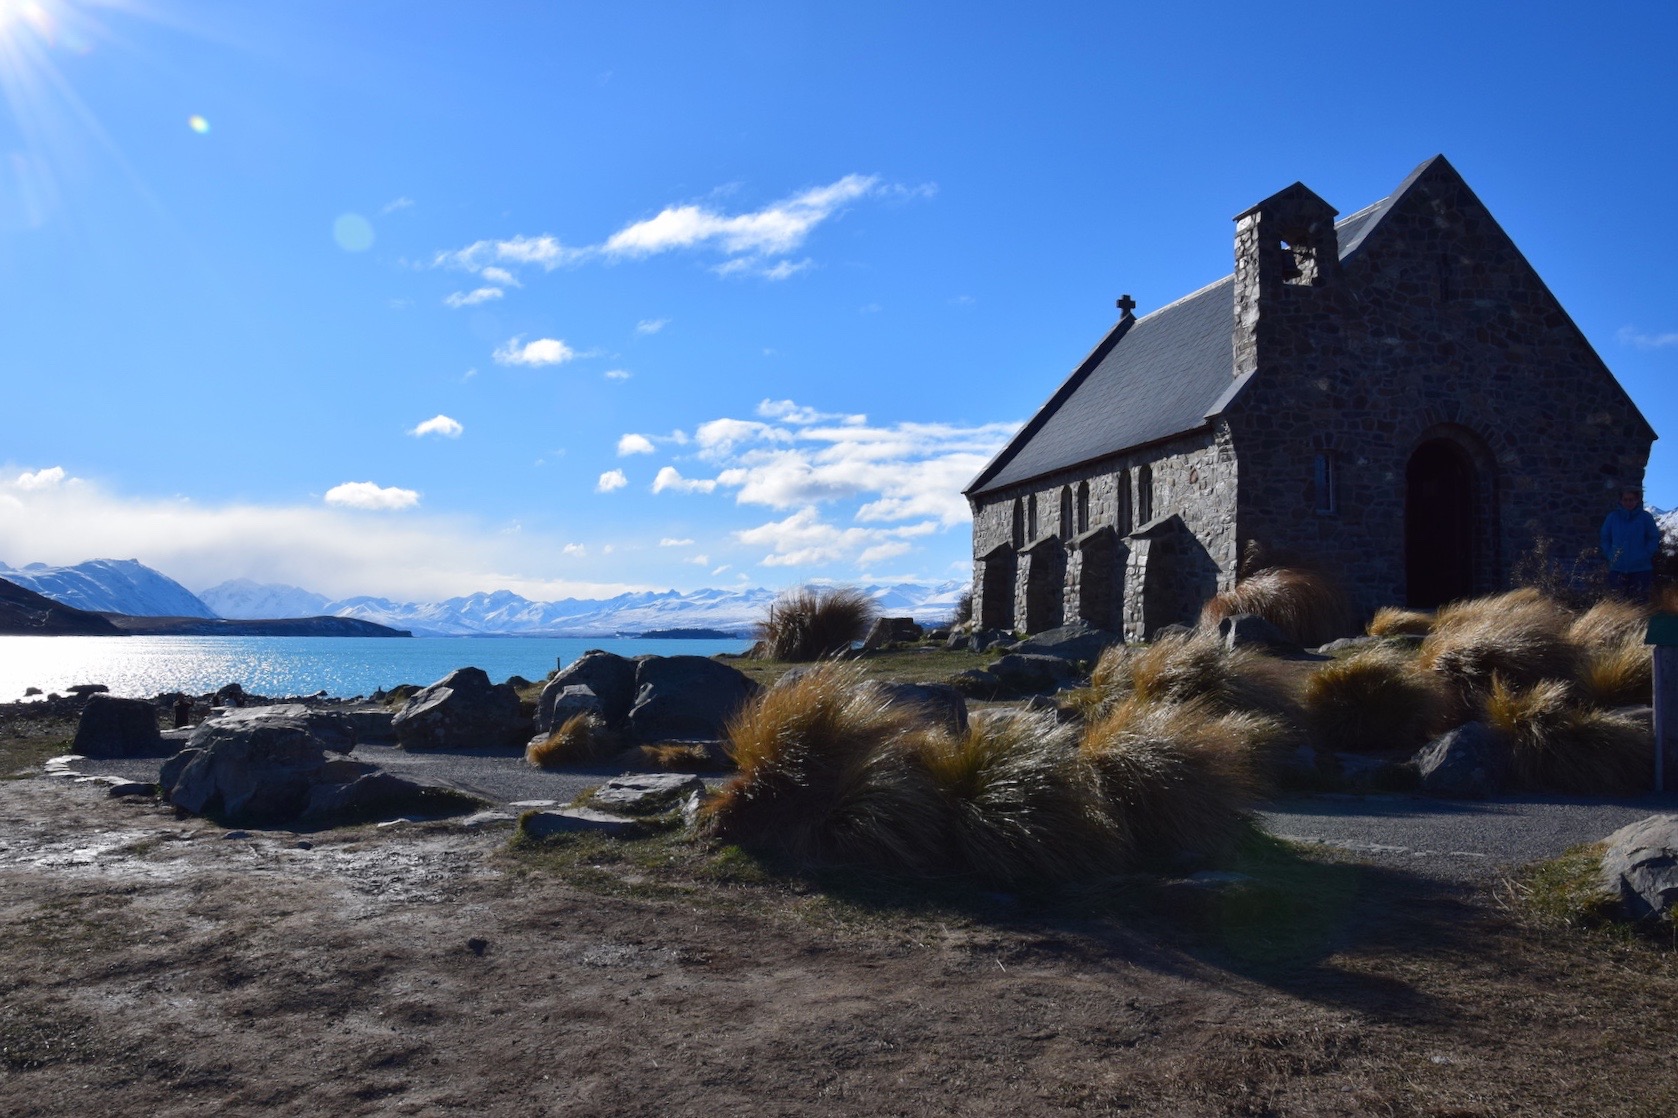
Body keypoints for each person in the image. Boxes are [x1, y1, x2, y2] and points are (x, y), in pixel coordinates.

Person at [1600, 486, 1661, 600]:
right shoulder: (1613, 517)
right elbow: (1605, 537)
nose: (1629, 502)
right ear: (1621, 501)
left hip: (1641, 569)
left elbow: (1653, 537)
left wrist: (1646, 554)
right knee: (1617, 604)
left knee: (1639, 604)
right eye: (1626, 499)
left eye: (1631, 499)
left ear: (1637, 500)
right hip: (1617, 568)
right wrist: (1610, 554)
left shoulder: (1645, 517)